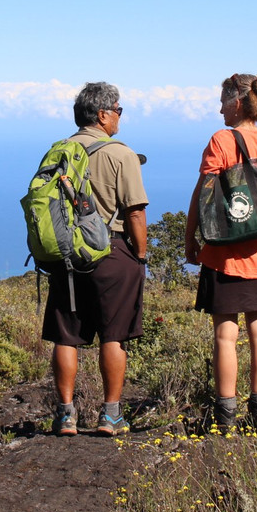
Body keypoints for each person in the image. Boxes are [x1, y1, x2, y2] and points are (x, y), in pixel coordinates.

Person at [184, 73, 257, 434]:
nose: (219, 108)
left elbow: (205, 194)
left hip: (226, 253)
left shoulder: (222, 140)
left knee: (224, 336)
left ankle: (225, 417)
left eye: (223, 100)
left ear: (237, 102)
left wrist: (190, 237)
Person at [42, 81, 149, 437]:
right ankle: (111, 415)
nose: (120, 117)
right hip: (112, 253)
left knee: (67, 336)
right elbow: (135, 213)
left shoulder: (59, 151)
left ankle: (65, 415)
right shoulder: (121, 154)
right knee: (113, 336)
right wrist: (140, 255)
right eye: (118, 110)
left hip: (66, 256)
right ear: (102, 115)